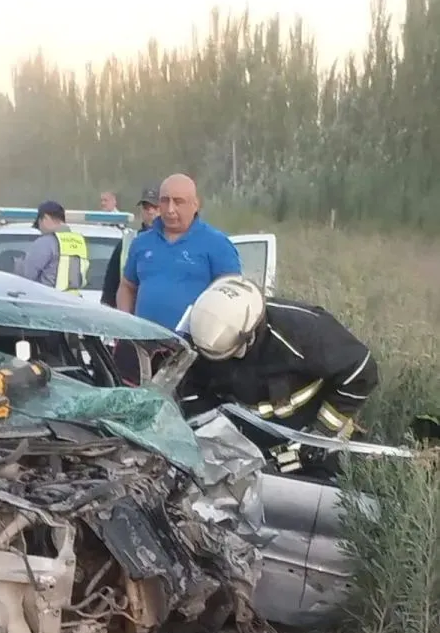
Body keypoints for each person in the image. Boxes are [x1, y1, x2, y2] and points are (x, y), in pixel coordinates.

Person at [180, 275, 379, 440]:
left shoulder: (304, 331)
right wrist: (211, 433)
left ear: (250, 333)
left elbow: (360, 369)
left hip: (308, 432)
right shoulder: (202, 336)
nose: (232, 360)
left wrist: (322, 432)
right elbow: (190, 386)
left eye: (234, 352)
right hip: (245, 439)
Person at [116, 173, 241, 330]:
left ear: (195, 204)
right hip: (144, 346)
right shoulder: (141, 242)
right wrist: (125, 324)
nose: (170, 209)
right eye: (164, 201)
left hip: (195, 348)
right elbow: (127, 287)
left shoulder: (218, 245)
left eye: (178, 202)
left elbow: (233, 298)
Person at [101, 186, 160, 308]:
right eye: (146, 207)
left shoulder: (172, 242)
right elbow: (111, 284)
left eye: (155, 207)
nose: (150, 212)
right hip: (130, 315)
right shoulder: (128, 241)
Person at [22, 200, 88, 292]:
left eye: (39, 224)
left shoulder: (45, 242)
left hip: (48, 300)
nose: (40, 230)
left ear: (46, 218)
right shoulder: (79, 241)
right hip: (74, 301)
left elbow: (26, 278)